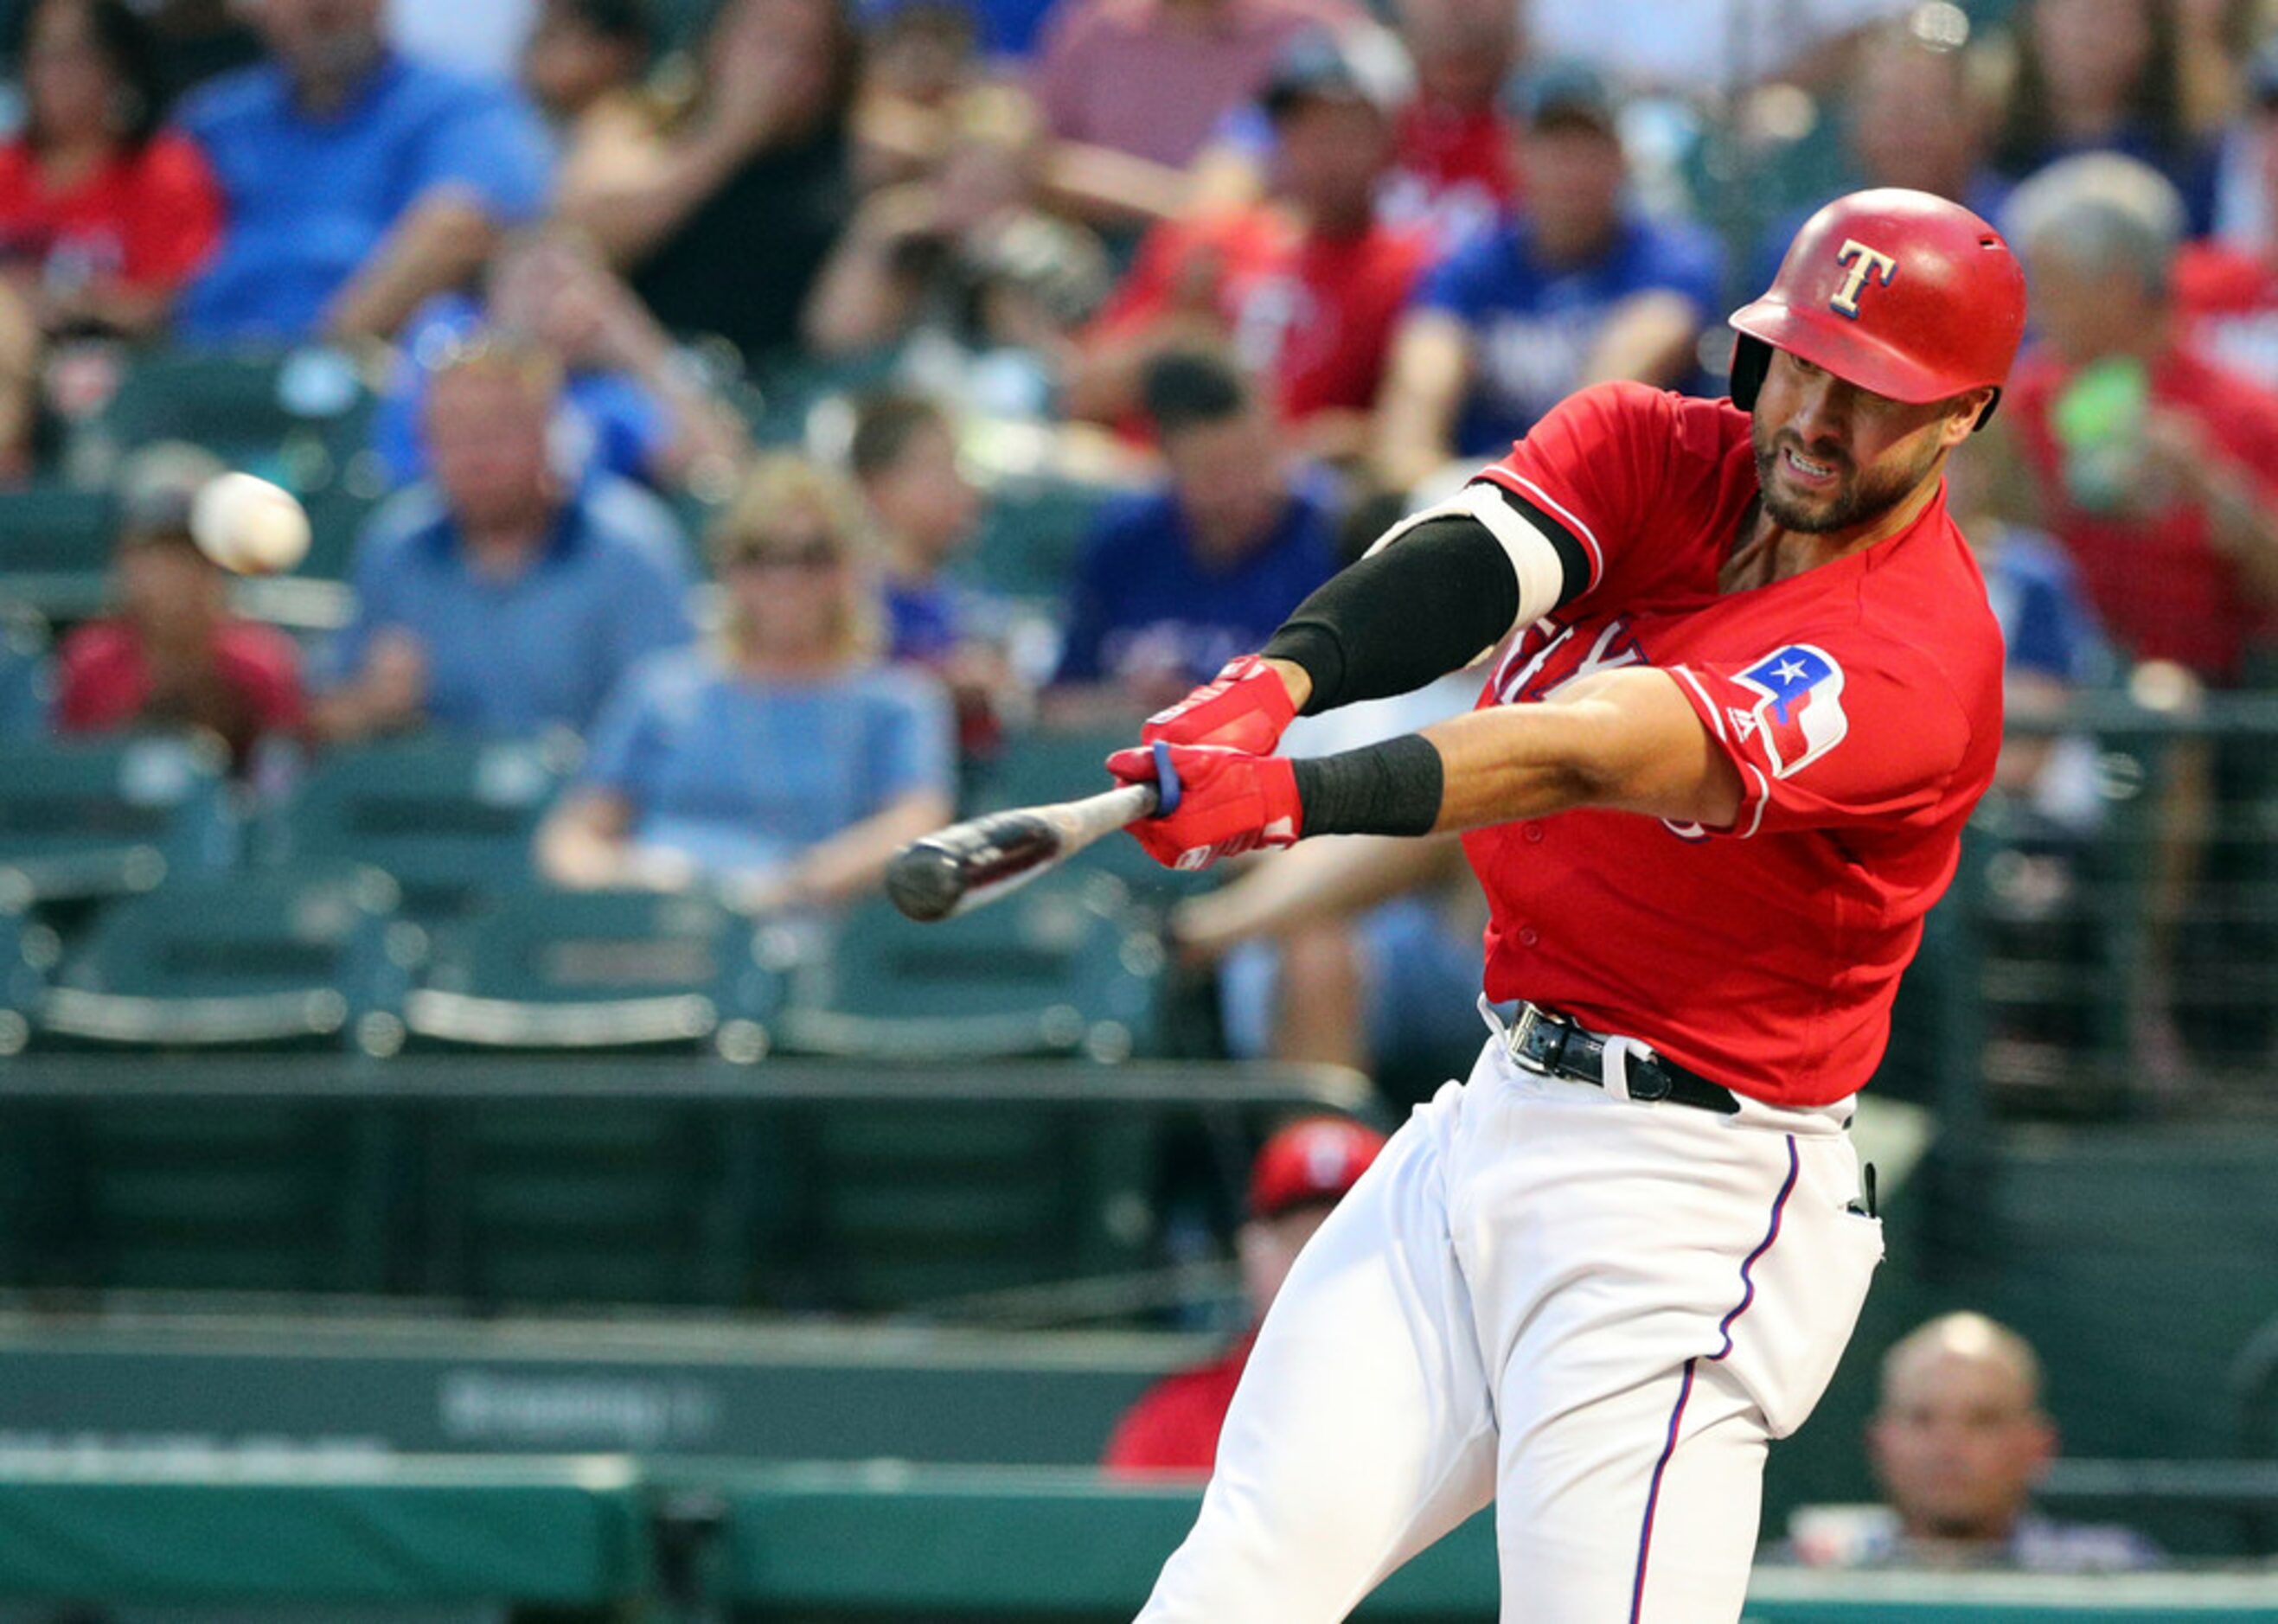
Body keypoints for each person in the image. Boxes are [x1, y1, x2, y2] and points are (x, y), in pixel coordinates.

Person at [1097, 185, 2027, 1621]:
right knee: (1236, 1579)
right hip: (1491, 1110)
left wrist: (1290, 792)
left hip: (1687, 1196)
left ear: (1959, 416)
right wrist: (1272, 685)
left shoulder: (1908, 649)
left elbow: (1577, 747)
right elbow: (1465, 564)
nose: (1816, 416)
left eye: (1872, 395)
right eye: (1799, 364)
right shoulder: (1655, 447)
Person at [535, 453, 956, 911]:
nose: (785, 578)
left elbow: (916, 822)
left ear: (851, 567)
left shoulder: (895, 702)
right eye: (761, 555)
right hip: (660, 928)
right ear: (729, 565)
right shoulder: (662, 690)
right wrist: (637, 875)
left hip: (809, 935)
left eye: (812, 556)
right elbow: (572, 840)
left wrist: (798, 884)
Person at [1068, 27, 1434, 463]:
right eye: (1307, 130)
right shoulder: (1214, 239)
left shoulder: (1412, 267)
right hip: (1154, 473)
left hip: (1295, 493)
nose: (1326, 154)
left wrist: (1340, 441)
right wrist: (1182, 321)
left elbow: (1409, 425)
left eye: (1347, 132)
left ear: (1389, 141)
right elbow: (1086, 394)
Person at [311, 331, 694, 744]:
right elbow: (322, 721)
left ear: (551, 432)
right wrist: (372, 705)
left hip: (589, 798)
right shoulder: (395, 543)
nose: (475, 455)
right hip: (435, 799)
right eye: (452, 434)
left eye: (497, 432)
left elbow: (674, 732)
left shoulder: (631, 547)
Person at [1373, 61, 1723, 493]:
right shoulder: (1468, 265)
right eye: (1553, 147)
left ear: (1621, 157)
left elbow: (1599, 412)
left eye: (1589, 147)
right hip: (1472, 495)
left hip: (1621, 505)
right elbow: (1412, 414)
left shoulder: (1672, 262)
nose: (1571, 168)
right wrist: (1436, 493)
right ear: (1513, 154)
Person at [172, 0, 553, 346]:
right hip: (192, 372)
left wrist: (316, 357)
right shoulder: (214, 120)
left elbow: (460, 226)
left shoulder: (459, 104)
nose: (319, 7)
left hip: (377, 378)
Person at [556, 0, 859, 368]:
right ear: (718, 41)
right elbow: (583, 236)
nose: (787, 68)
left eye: (811, 51)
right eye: (771, 41)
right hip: (630, 375)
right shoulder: (645, 119)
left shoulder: (852, 157)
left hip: (768, 395)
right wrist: (734, 134)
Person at [1048, 348, 1340, 718]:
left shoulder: (1327, 537)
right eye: (1214, 474)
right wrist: (1140, 709)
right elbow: (1060, 701)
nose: (1240, 489)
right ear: (1169, 463)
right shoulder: (1125, 541)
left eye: (1255, 462)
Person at [0, 0, 223, 475]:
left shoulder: (163, 169)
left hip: (127, 372)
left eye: (77, 55)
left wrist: (71, 304)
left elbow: (176, 301)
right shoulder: (4, 171)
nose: (57, 74)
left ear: (118, 65)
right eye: (43, 55)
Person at [1103, 1116, 1387, 1475]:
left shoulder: (1445, 1411)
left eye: (1347, 1243)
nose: (1317, 1267)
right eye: (1296, 1242)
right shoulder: (1177, 1420)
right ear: (1252, 1250)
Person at [1771, 1313, 2163, 1572]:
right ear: (1878, 1442)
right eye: (1921, 1419)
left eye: (1983, 1421)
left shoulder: (2114, 1577)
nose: (1948, 1446)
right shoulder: (1810, 1577)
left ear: (2039, 1446)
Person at [52, 442, 304, 770]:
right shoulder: (91, 665)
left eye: (190, 555)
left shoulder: (261, 664)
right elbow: (67, 792)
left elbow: (280, 792)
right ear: (124, 560)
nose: (175, 576)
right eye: (158, 555)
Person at [848, 391, 1023, 751]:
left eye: (957, 466)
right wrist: (942, 685)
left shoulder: (969, 595)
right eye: (935, 467)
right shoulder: (848, 598)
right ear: (875, 485)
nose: (958, 486)